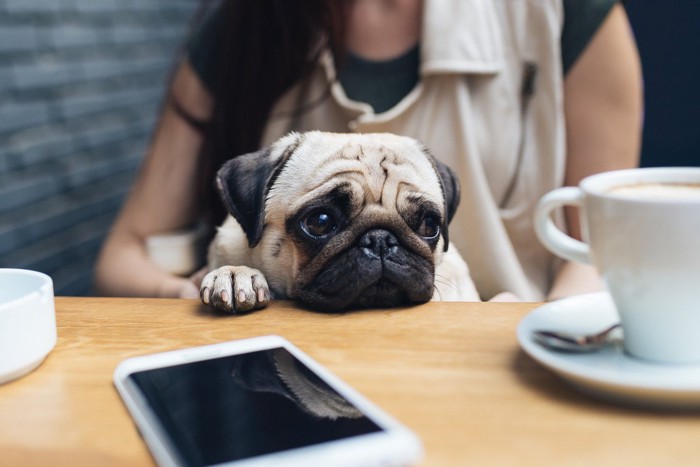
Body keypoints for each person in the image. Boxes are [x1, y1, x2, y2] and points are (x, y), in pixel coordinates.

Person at [94, 0, 642, 302]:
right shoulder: (243, 27)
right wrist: (193, 294)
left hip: (495, 354)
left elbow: (601, 251)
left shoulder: (564, 12)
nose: (379, 248)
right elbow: (125, 253)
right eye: (323, 221)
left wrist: (537, 346)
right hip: (275, 375)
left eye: (421, 225)